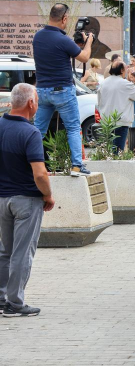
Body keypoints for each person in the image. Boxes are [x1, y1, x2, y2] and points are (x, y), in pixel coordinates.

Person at [0, 84, 54, 318]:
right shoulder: (30, 133)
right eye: (38, 101)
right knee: (22, 252)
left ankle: (1, 299)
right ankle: (15, 303)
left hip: (2, 199)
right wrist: (48, 195)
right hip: (26, 201)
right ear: (31, 103)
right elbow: (40, 173)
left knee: (5, 252)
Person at [32, 3, 94, 177]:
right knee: (73, 127)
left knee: (38, 130)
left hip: (42, 91)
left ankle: (30, 164)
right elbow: (84, 57)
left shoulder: (38, 37)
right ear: (64, 18)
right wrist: (88, 42)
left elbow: (57, 51)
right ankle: (76, 166)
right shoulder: (63, 40)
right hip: (62, 91)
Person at [97, 61, 135, 152]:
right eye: (126, 69)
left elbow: (99, 102)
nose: (127, 71)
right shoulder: (125, 84)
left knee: (109, 150)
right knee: (118, 150)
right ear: (121, 70)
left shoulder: (103, 83)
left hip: (106, 121)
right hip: (121, 121)